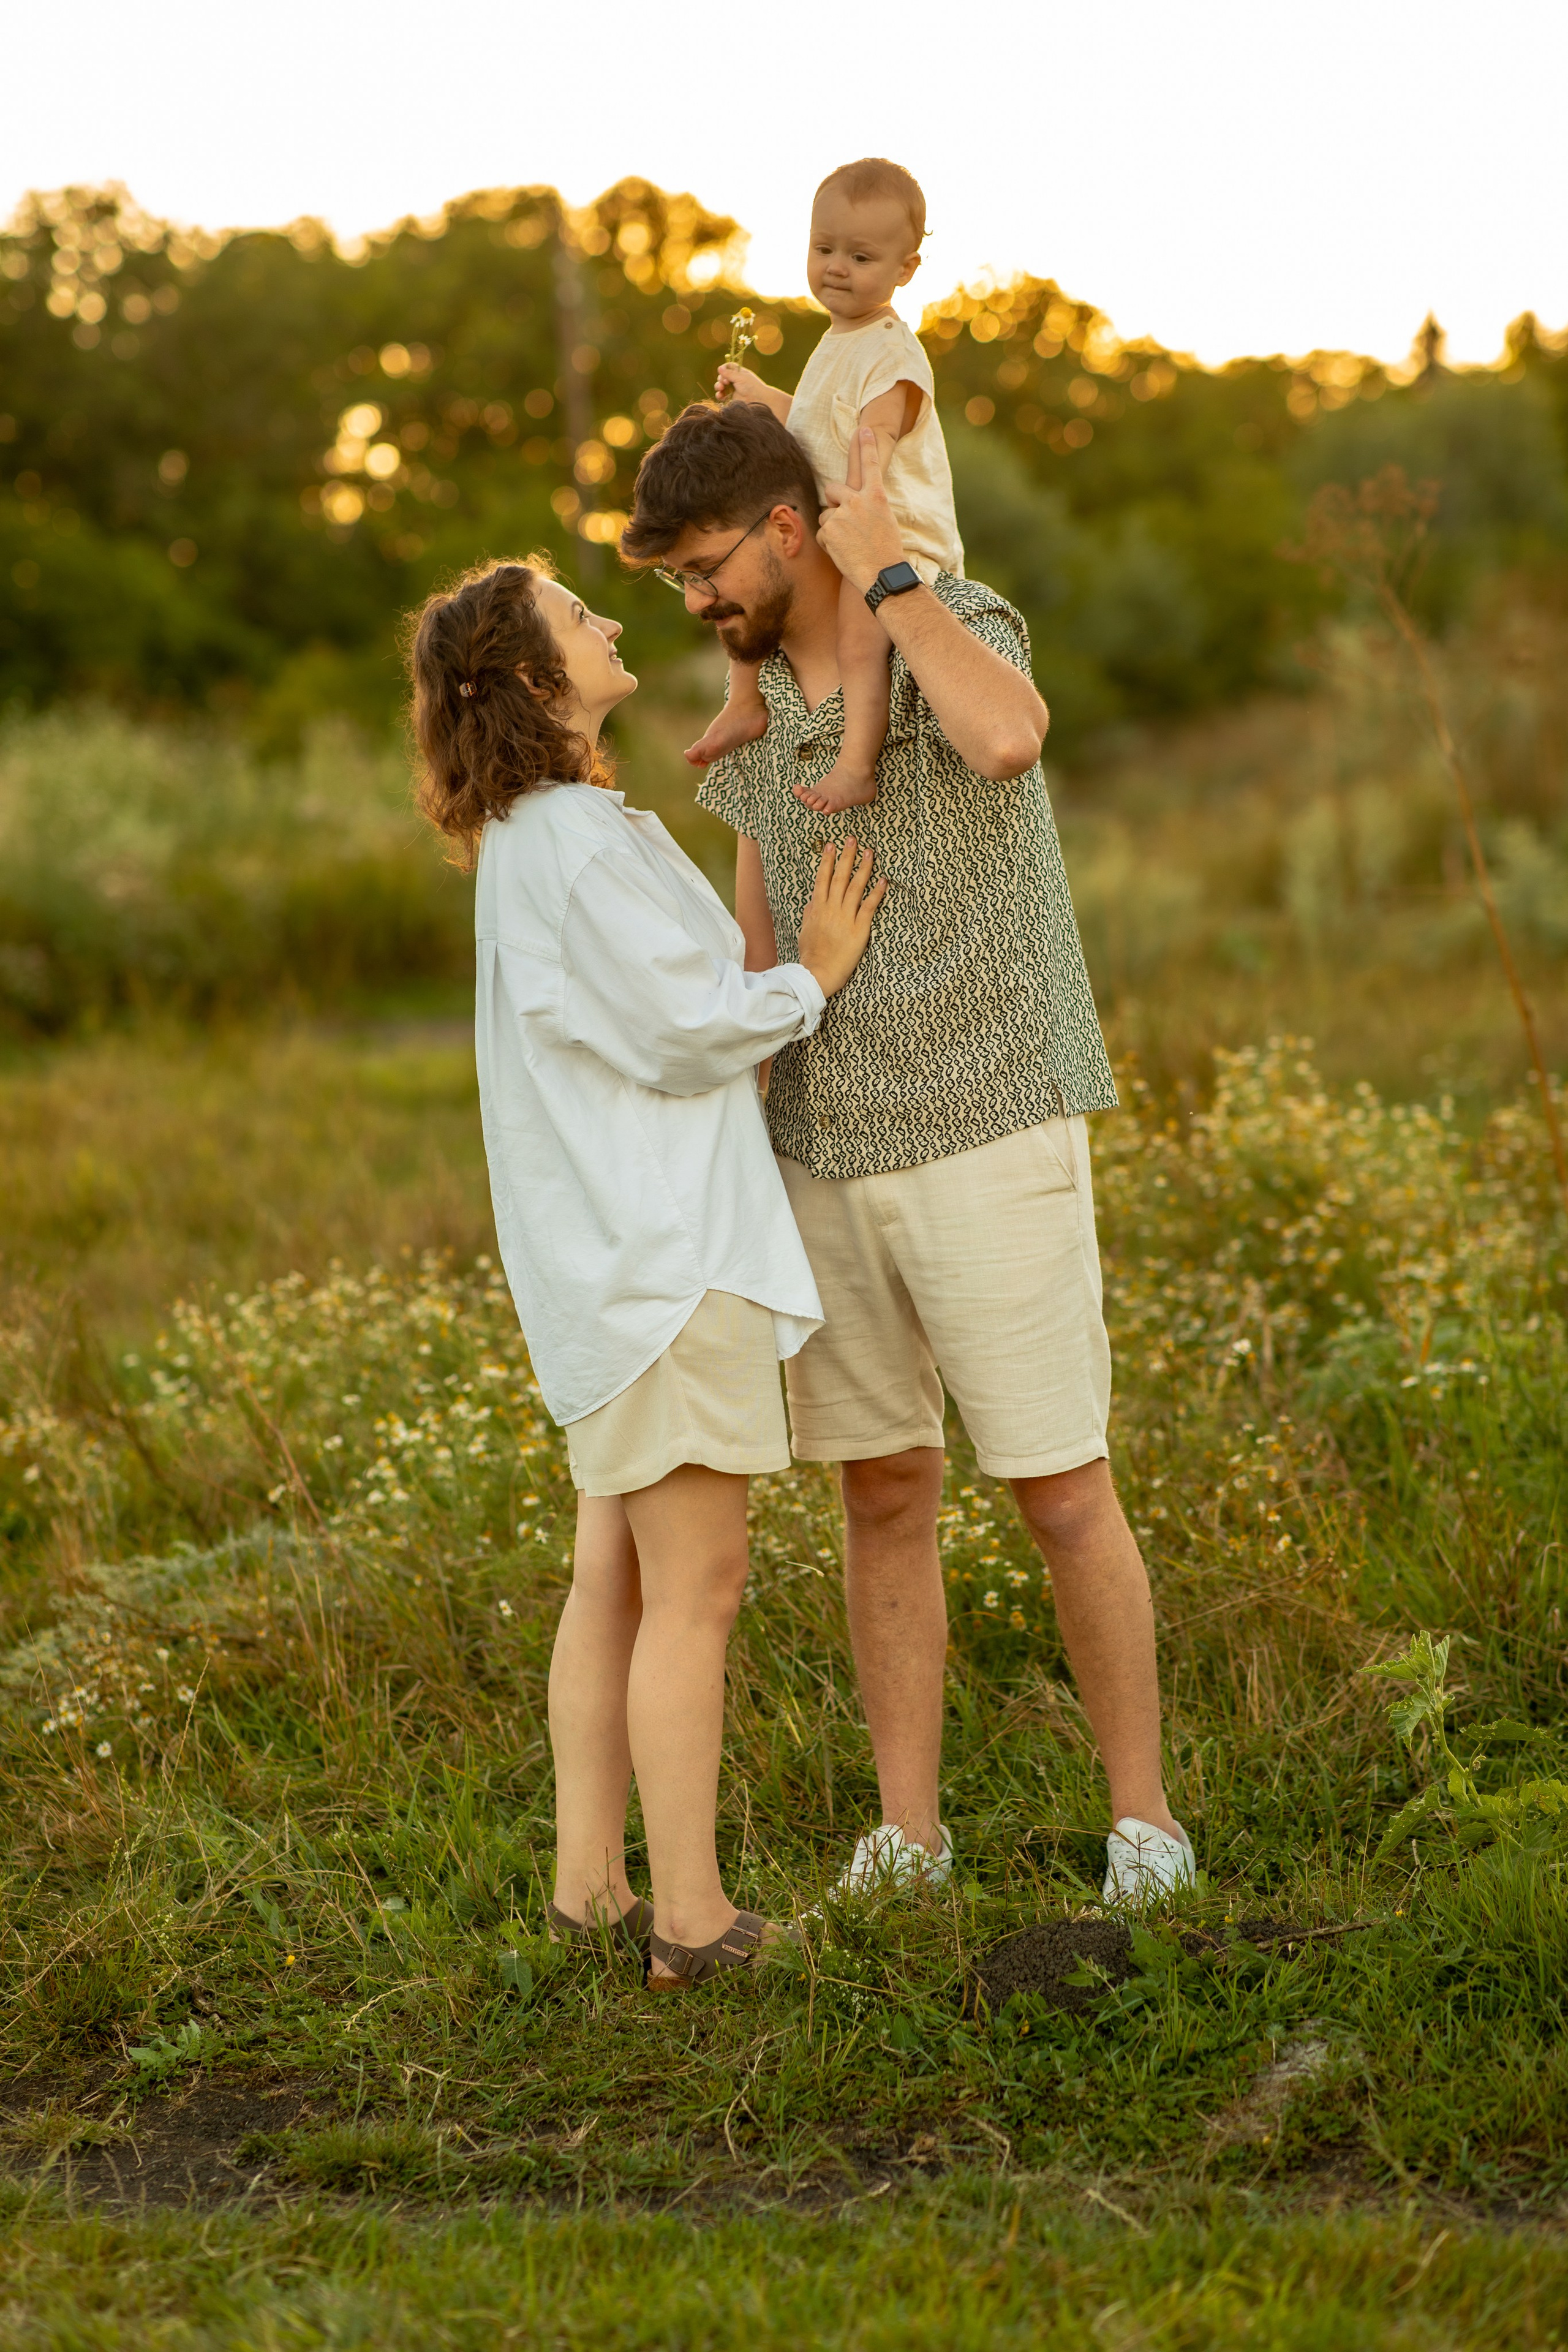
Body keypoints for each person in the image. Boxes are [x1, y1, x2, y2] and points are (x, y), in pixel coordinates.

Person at [621, 403, 1196, 1909]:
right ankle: (908, 1835)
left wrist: (891, 581)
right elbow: (755, 948)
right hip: (821, 1145)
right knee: (881, 1488)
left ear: (789, 528)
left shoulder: (941, 609)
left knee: (1060, 1489)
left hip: (989, 1115)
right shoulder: (749, 705)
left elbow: (1009, 737)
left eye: (703, 566)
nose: (695, 600)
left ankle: (1142, 1820)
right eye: (676, 578)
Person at [405, 556, 886, 1985]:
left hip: (618, 1257)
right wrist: (809, 972)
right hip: (660, 1258)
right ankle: (690, 1919)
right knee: (699, 1580)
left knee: (612, 1571)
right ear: (538, 678)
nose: (612, 619)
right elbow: (681, 1030)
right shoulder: (564, 842)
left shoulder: (548, 834)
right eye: (577, 612)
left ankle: (589, 1889)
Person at [685, 157, 962, 816]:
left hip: (889, 540)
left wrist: (867, 550)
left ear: (905, 270)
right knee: (754, 577)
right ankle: (744, 702)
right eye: (823, 248)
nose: (836, 266)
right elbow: (813, 424)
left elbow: (870, 450)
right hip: (836, 525)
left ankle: (856, 764)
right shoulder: (838, 340)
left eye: (861, 256)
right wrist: (759, 398)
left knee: (858, 638)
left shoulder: (892, 356)